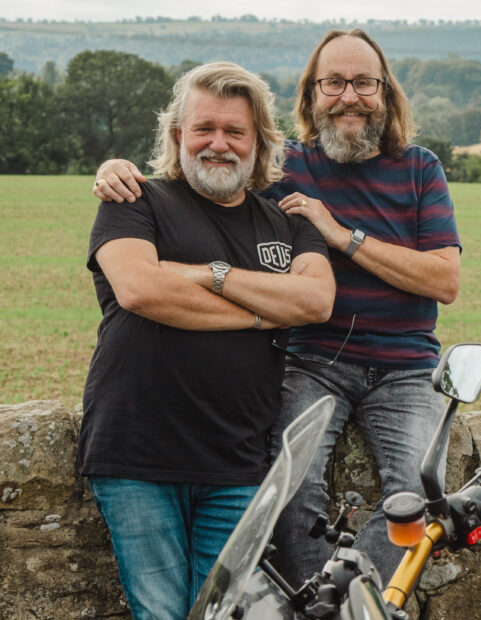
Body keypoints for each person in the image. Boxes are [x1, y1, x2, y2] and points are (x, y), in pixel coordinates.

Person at [93, 29, 462, 586]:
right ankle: (319, 602)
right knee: (286, 488)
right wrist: (114, 168)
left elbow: (444, 280)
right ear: (311, 95)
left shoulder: (420, 168)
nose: (349, 96)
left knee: (419, 490)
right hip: (311, 361)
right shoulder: (283, 167)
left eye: (364, 83)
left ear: (385, 93)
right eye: (333, 83)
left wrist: (340, 235)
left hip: (407, 367)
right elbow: (212, 170)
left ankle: (349, 601)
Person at [81, 61, 335, 620]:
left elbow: (315, 301)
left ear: (258, 141)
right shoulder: (135, 200)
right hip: (136, 454)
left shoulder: (289, 223)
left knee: (224, 616)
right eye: (204, 128)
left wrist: (207, 274)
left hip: (237, 461)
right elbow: (142, 290)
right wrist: (261, 315)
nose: (218, 144)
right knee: (162, 614)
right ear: (179, 135)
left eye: (234, 131)